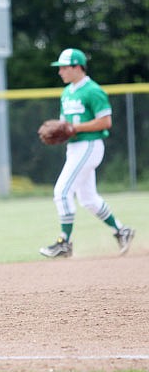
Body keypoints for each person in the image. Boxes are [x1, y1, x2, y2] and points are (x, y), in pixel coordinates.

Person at [39, 48, 135, 258]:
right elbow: (65, 124)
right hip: (73, 148)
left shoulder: (93, 90)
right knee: (88, 199)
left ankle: (64, 242)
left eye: (64, 67)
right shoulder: (67, 92)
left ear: (77, 67)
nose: (60, 72)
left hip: (89, 145)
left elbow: (105, 121)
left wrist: (76, 129)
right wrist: (60, 130)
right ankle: (121, 230)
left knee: (62, 192)